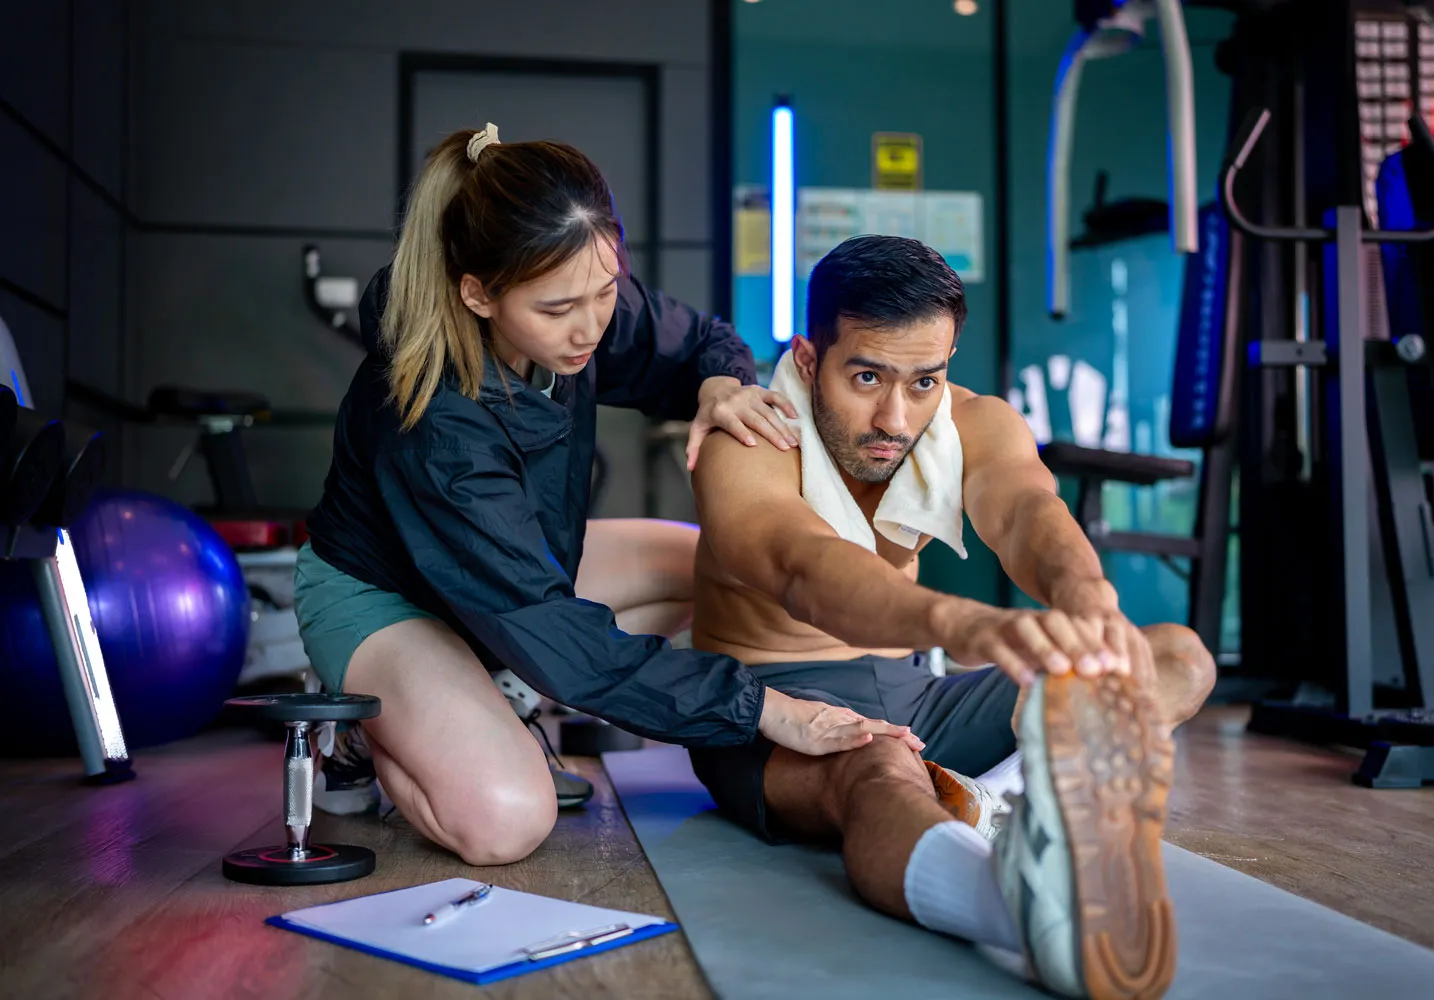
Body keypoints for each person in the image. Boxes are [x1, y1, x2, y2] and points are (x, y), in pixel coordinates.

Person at [293, 125, 922, 868]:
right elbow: (557, 632)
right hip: (387, 597)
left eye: (604, 290)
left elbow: (699, 340)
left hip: (509, 581)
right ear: (477, 293)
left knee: (718, 566)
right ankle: (362, 733)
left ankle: (486, 691)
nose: (590, 325)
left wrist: (720, 383)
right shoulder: (435, 421)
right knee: (505, 820)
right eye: (558, 310)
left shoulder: (574, 301)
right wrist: (768, 712)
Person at [687, 235, 1217, 999]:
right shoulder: (749, 440)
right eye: (866, 376)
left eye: (924, 381)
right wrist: (969, 627)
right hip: (772, 710)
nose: (894, 418)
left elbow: (1028, 511)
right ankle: (1017, 904)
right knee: (877, 770)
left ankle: (1002, 800)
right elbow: (807, 569)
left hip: (917, 693)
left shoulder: (971, 420)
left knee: (1174, 657)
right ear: (808, 360)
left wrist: (1089, 606)